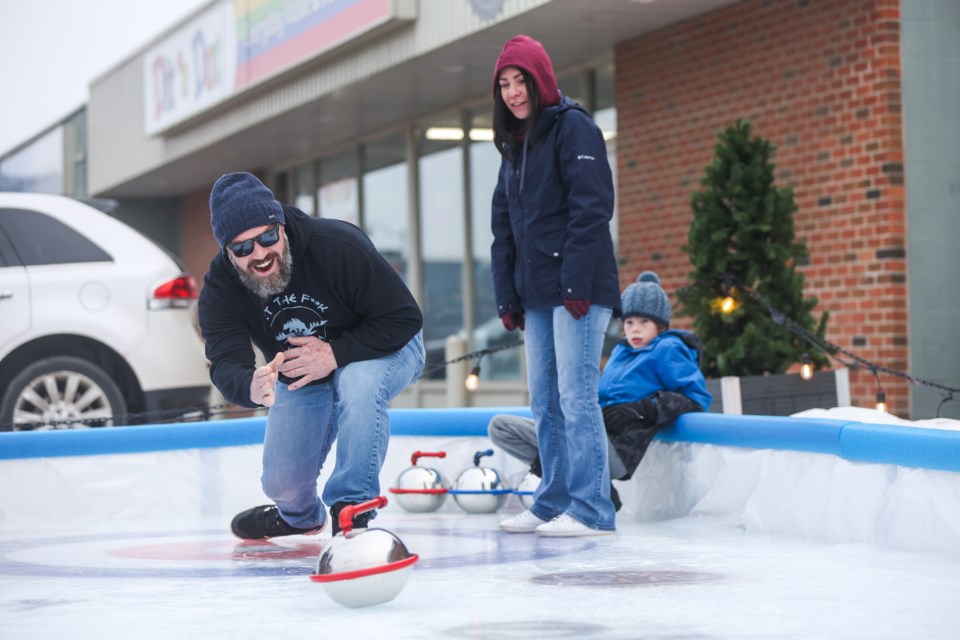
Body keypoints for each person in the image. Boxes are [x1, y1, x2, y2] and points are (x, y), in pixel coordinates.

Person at [198, 172, 425, 539]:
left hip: (388, 345)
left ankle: (352, 510)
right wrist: (250, 386)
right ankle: (299, 517)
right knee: (281, 482)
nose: (259, 254)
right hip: (304, 373)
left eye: (267, 238)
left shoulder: (337, 245)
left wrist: (336, 353)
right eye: (242, 248)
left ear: (281, 227)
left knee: (358, 379)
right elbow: (226, 362)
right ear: (227, 253)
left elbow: (404, 317)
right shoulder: (221, 288)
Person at [490, 34, 621, 537]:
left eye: (520, 80)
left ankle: (592, 508)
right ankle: (554, 499)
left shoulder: (574, 129)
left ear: (540, 79)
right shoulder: (515, 147)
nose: (513, 92)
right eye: (504, 84)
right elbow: (504, 227)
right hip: (538, 294)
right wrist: (508, 295)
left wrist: (574, 284)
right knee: (543, 400)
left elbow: (592, 211)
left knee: (576, 396)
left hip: (579, 291)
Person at [490, 271, 712, 513]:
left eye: (644, 323)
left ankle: (591, 488)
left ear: (660, 325)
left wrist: (643, 409)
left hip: (619, 449)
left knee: (560, 439)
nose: (635, 330)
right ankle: (595, 486)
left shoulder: (667, 349)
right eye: (629, 323)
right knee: (501, 427)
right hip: (593, 434)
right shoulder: (620, 352)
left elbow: (696, 398)